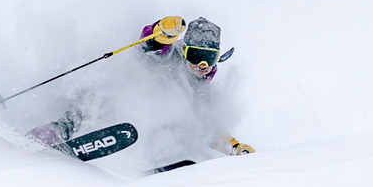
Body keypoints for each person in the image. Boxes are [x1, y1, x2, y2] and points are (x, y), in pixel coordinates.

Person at [27, 15, 254, 156]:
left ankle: (158, 156)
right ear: (184, 49)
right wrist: (159, 32)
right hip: (124, 89)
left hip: (148, 116)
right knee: (102, 99)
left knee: (184, 122)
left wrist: (233, 147)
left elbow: (210, 125)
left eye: (210, 58)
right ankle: (58, 131)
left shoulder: (201, 89)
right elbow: (148, 47)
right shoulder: (170, 56)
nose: (202, 65)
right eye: (195, 55)